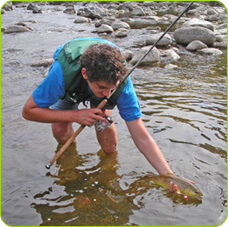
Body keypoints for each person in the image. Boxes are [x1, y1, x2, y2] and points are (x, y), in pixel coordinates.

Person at [22, 37, 190, 196]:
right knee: (60, 129)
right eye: (102, 88)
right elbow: (28, 111)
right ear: (85, 74)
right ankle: (69, 158)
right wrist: (75, 115)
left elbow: (141, 135)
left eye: (112, 89)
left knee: (104, 126)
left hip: (103, 78)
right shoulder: (60, 74)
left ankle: (109, 166)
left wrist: (170, 177)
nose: (107, 95)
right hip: (70, 87)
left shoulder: (121, 84)